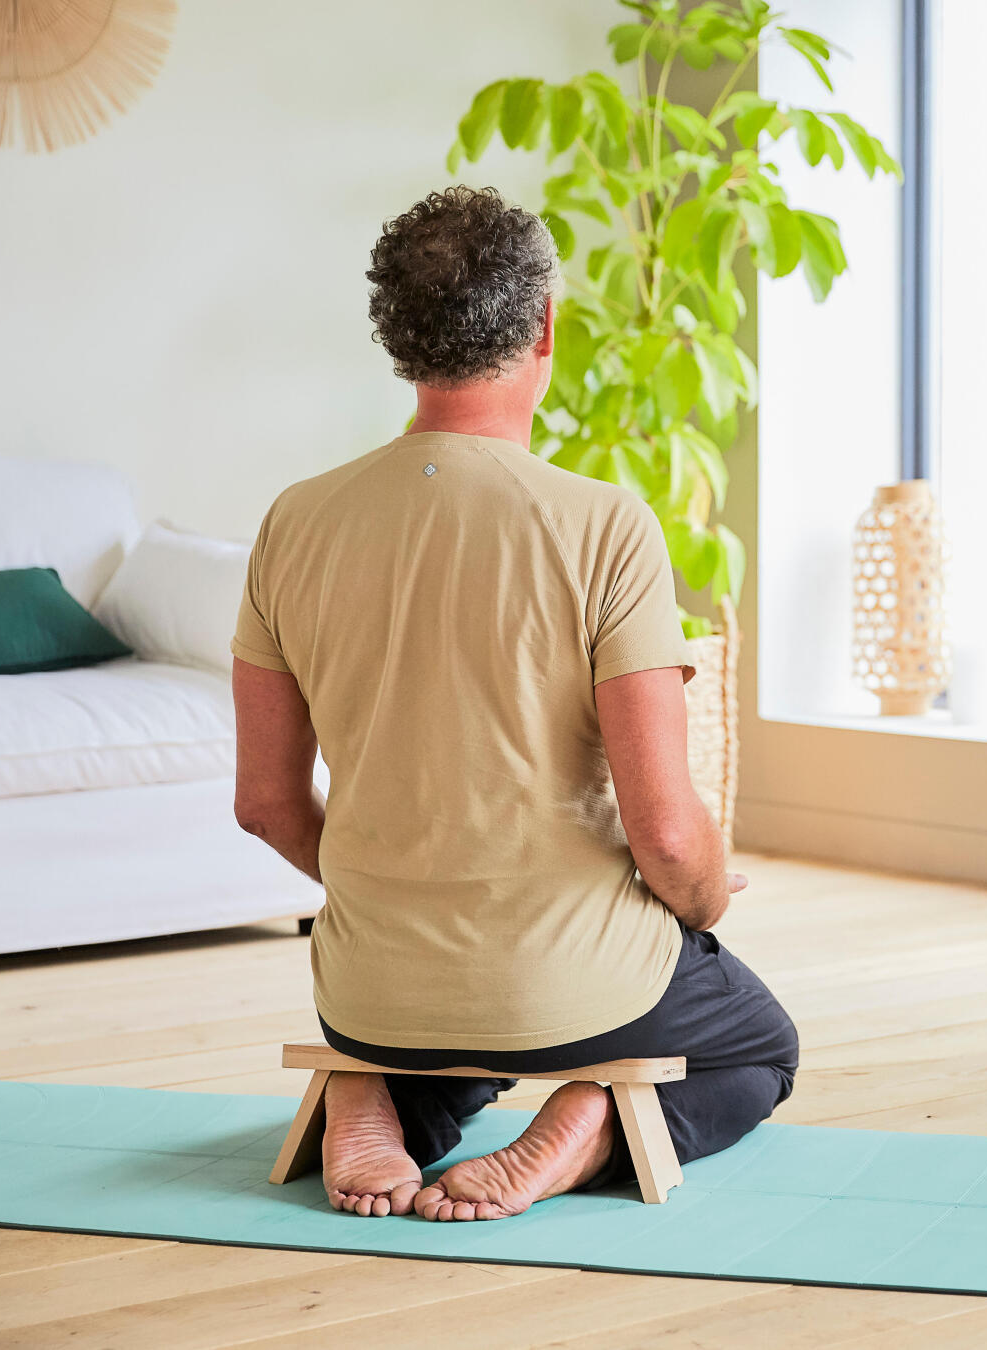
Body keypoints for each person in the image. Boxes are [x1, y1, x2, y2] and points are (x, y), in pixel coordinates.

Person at [229, 186, 798, 1222]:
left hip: (371, 991)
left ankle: (372, 1094)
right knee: (757, 1046)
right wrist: (708, 904)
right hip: (563, 991)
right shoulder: (606, 524)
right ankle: (582, 1124)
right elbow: (666, 834)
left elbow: (266, 803)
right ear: (544, 325)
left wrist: (397, 878)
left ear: (395, 335)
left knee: (453, 1037)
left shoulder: (292, 523)